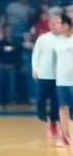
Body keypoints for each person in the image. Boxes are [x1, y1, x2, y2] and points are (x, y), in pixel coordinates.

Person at [32, 9, 62, 142]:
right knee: (41, 98)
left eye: (58, 22)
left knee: (56, 102)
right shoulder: (43, 38)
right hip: (44, 74)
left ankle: (53, 123)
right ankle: (43, 116)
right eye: (52, 22)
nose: (55, 24)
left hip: (60, 76)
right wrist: (35, 68)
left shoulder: (67, 38)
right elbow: (36, 54)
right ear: (49, 24)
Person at [53, 14, 73, 151]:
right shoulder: (57, 42)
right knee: (63, 107)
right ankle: (65, 137)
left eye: (62, 24)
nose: (60, 26)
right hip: (61, 80)